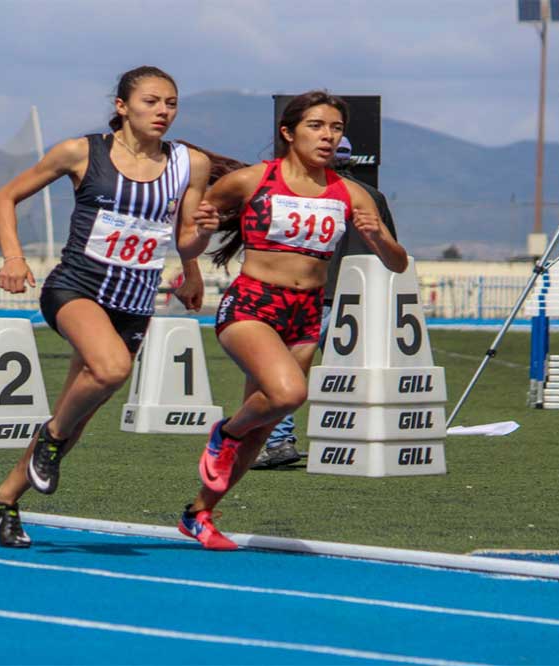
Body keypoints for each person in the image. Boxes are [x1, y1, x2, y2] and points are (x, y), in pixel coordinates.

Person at [0, 65, 219, 547]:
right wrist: (13, 256)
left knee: (77, 417)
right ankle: (47, 441)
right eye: (151, 101)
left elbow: (184, 240)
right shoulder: (82, 152)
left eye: (171, 103)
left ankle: (5, 499)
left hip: (133, 304)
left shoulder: (189, 165)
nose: (162, 112)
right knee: (110, 370)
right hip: (76, 288)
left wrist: (199, 252)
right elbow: (5, 197)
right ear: (122, 106)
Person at [181, 91, 407, 549]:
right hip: (252, 306)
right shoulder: (251, 181)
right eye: (316, 126)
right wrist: (196, 242)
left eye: (336, 129)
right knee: (289, 394)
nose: (328, 136)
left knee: (265, 423)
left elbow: (397, 262)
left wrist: (377, 237)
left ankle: (199, 513)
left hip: (306, 314)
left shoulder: (352, 193)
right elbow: (188, 236)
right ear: (288, 132)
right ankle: (224, 433)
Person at [252, 136, 400, 470]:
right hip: (361, 304)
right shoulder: (371, 197)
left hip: (313, 299)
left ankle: (278, 441)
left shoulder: (305, 194)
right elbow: (391, 249)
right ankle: (362, 439)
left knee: (283, 374)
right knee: (359, 377)